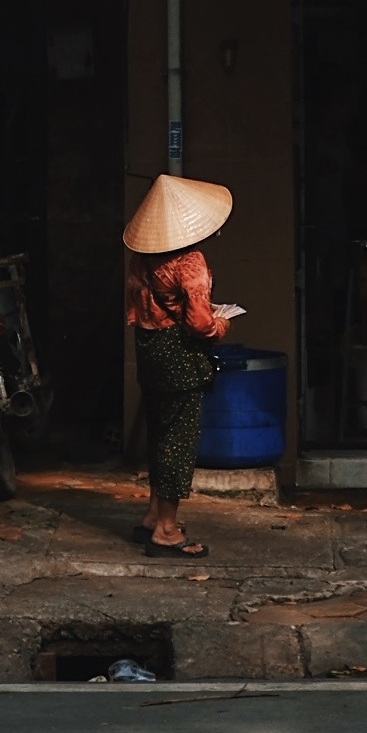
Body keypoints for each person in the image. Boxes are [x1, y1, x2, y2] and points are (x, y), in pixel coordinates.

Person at [124, 172, 242, 556]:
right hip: (179, 356)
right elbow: (200, 324)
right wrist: (221, 324)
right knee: (178, 441)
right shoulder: (189, 263)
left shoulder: (141, 258)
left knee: (160, 433)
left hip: (149, 350)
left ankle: (151, 516)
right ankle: (168, 529)